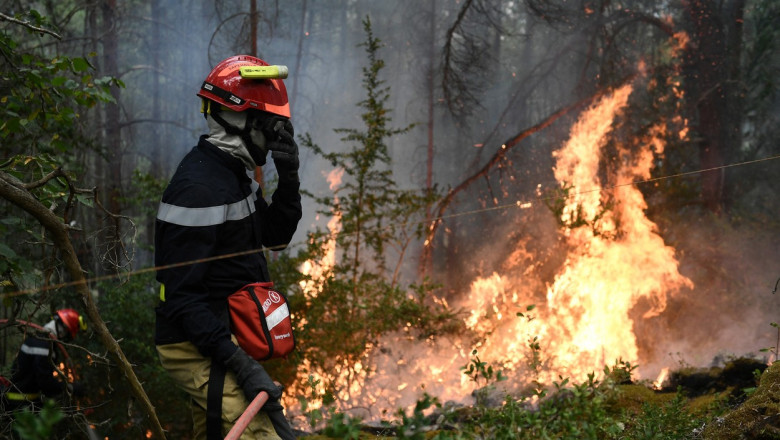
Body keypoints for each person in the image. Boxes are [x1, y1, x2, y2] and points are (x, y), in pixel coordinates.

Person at [154, 55, 302, 440]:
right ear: (238, 120)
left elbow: (276, 238)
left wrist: (289, 179)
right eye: (269, 128)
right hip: (193, 345)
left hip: (220, 337)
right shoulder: (198, 189)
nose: (272, 141)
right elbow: (182, 299)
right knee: (263, 435)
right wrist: (240, 364)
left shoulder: (232, 174)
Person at [3, 308, 86, 411]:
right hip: (20, 405)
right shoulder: (42, 345)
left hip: (27, 400)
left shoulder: (39, 339)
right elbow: (45, 383)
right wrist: (70, 387)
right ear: (63, 330)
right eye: (67, 335)